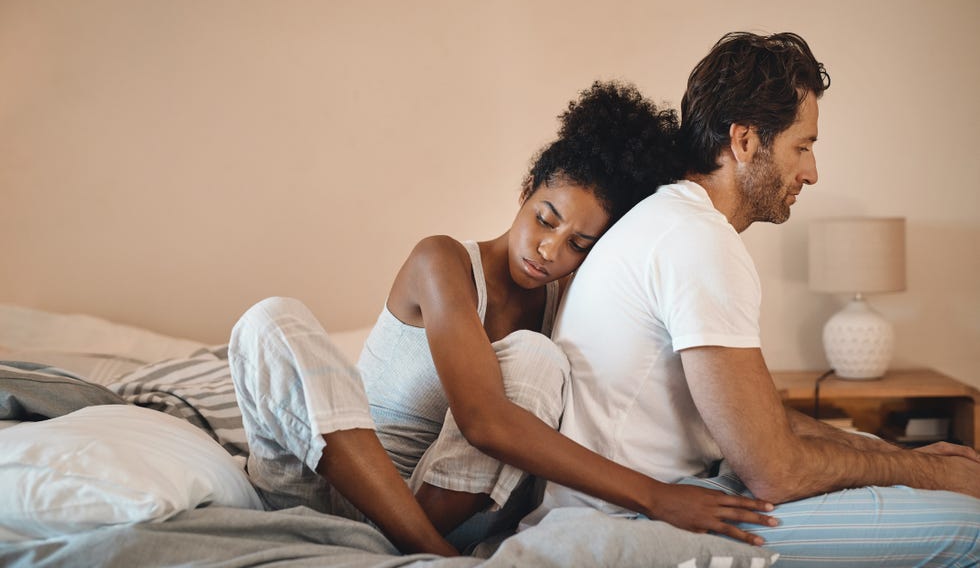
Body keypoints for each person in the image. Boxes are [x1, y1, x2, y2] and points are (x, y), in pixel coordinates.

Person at [227, 81, 778, 556]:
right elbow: (483, 420)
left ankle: (406, 545)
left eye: (578, 244)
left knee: (539, 359)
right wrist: (654, 496)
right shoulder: (440, 261)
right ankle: (425, 553)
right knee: (273, 319)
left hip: (440, 508)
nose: (549, 249)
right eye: (545, 218)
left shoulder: (570, 303)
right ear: (524, 193)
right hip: (328, 488)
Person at [529, 33, 980, 565]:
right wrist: (928, 474)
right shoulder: (698, 240)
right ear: (744, 141)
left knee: (868, 447)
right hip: (629, 521)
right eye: (803, 146)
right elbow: (776, 470)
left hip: (652, 496)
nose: (811, 172)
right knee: (969, 527)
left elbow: (760, 422)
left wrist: (889, 452)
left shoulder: (671, 219)